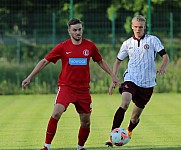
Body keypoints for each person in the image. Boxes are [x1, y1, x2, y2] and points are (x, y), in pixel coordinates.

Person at [22, 18, 120, 150]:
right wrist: (30, 77)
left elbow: (100, 61)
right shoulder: (62, 47)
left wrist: (113, 76)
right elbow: (45, 61)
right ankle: (46, 146)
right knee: (56, 113)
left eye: (80, 29)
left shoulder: (90, 46)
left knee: (85, 122)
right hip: (66, 87)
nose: (78, 32)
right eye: (75, 30)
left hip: (84, 90)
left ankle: (80, 147)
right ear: (69, 31)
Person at [105, 15, 169, 147]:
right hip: (131, 78)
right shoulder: (127, 44)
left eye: (140, 27)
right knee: (125, 102)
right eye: (135, 27)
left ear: (144, 27)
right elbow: (117, 62)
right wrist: (114, 78)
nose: (138, 29)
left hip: (147, 83)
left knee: (134, 118)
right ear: (132, 27)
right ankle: (112, 136)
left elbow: (165, 57)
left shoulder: (152, 40)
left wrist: (163, 66)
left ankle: (128, 131)